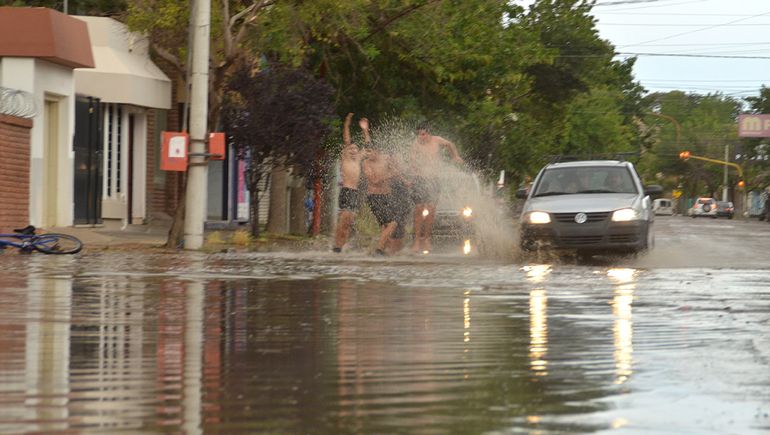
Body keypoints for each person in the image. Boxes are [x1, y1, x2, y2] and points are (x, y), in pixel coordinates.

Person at [408, 122, 464, 253]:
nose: (420, 137)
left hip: (434, 179)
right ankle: (416, 240)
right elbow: (411, 159)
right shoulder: (415, 144)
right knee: (419, 208)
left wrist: (455, 156)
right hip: (420, 179)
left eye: (423, 134)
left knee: (431, 209)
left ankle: (427, 239)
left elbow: (450, 144)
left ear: (429, 133)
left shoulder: (437, 140)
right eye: (419, 134)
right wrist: (414, 164)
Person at [332, 113, 369, 252]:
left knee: (349, 222)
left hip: (355, 192)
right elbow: (347, 140)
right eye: (351, 149)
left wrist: (365, 130)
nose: (353, 151)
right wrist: (347, 123)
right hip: (346, 191)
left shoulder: (358, 159)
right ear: (347, 151)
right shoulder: (345, 158)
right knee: (344, 219)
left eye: (355, 149)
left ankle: (340, 246)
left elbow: (367, 145)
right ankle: (336, 245)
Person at [363, 143, 399, 256]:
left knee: (385, 226)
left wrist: (405, 180)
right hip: (374, 197)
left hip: (387, 195)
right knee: (392, 224)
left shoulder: (385, 158)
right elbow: (374, 181)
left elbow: (395, 171)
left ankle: (383, 250)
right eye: (367, 152)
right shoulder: (366, 163)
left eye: (370, 151)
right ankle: (378, 250)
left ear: (377, 150)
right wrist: (389, 175)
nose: (369, 154)